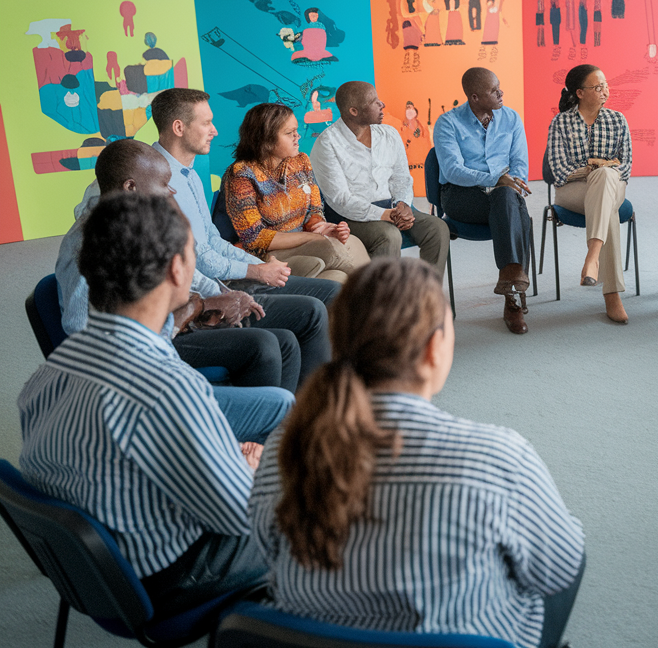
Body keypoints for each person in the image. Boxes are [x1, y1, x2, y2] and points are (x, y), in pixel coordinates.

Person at [249, 259, 585, 648]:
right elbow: (557, 571)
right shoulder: (497, 458)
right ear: (433, 349)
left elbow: (266, 552)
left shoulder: (284, 443)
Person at [22, 194, 291, 620]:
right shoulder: (170, 390)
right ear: (177, 269)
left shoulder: (45, 376)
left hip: (95, 574)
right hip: (169, 578)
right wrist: (252, 472)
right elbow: (240, 516)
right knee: (321, 495)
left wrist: (224, 458)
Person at [60, 140, 316, 393]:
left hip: (177, 324)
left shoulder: (139, 221)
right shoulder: (88, 244)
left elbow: (188, 275)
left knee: (284, 343)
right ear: (131, 187)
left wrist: (224, 297)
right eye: (162, 184)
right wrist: (189, 313)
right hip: (141, 357)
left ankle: (282, 429)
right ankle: (253, 427)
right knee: (265, 346)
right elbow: (84, 335)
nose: (171, 191)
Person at [148, 88, 334, 383]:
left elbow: (212, 241)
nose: (215, 130)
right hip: (193, 300)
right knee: (307, 314)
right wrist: (249, 275)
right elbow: (196, 261)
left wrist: (256, 268)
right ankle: (302, 411)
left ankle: (314, 403)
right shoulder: (154, 181)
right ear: (179, 128)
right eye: (206, 123)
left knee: (330, 292)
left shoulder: (189, 175)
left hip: (222, 279)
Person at [309, 80, 450, 277]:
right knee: (389, 235)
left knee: (437, 229)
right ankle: (384, 304)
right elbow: (341, 200)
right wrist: (387, 215)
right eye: (374, 102)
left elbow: (401, 178)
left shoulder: (389, 134)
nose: (382, 104)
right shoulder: (327, 144)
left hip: (391, 209)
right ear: (354, 111)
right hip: (348, 217)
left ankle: (425, 298)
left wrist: (403, 205)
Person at [434, 68, 535, 334]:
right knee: (514, 211)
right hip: (461, 196)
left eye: (499, 87)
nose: (501, 93)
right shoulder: (448, 123)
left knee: (508, 200)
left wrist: (513, 184)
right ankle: (514, 292)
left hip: (503, 195)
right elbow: (453, 171)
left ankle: (510, 281)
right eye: (494, 91)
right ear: (475, 97)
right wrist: (496, 179)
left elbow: (520, 164)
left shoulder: (511, 118)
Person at [224, 102, 371, 284]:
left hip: (306, 244)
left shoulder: (301, 161)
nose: (297, 136)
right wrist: (314, 236)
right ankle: (377, 296)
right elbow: (256, 239)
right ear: (266, 140)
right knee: (329, 248)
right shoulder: (241, 174)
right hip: (265, 255)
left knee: (345, 257)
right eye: (289, 133)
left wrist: (322, 226)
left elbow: (315, 210)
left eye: (296, 130)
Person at [545, 64, 633, 324]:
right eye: (598, 87)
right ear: (580, 93)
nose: (605, 90)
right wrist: (598, 165)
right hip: (571, 192)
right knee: (607, 203)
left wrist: (601, 169)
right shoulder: (560, 122)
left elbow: (625, 166)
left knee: (606, 179)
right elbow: (559, 171)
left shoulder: (618, 120)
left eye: (605, 85)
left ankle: (592, 259)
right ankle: (612, 294)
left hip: (611, 186)